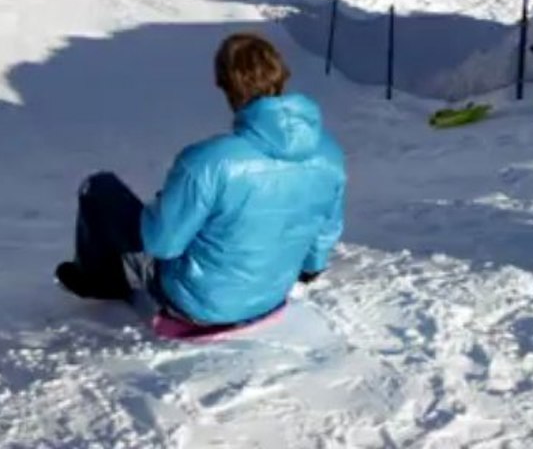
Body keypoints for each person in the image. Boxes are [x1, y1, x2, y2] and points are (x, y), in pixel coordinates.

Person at [55, 33, 346, 331]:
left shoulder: (208, 161)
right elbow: (326, 231)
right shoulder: (328, 152)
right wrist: (309, 269)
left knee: (99, 189)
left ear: (224, 83)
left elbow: (162, 244)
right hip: (271, 294)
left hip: (197, 304)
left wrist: (163, 208)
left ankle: (98, 283)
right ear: (282, 74)